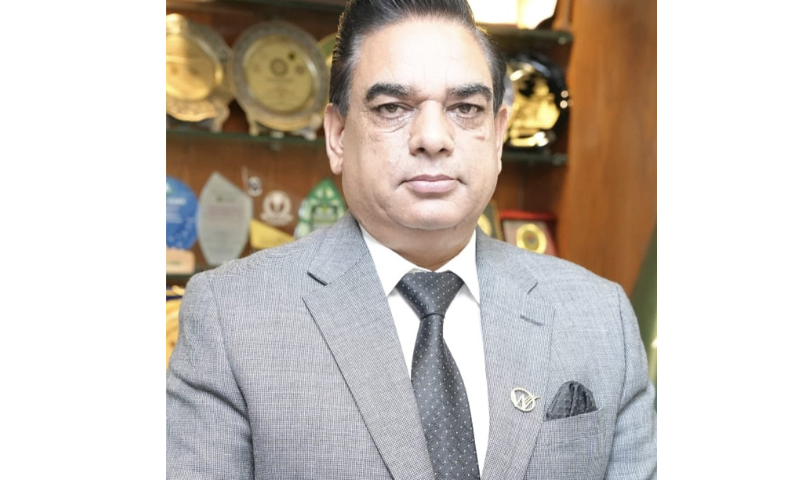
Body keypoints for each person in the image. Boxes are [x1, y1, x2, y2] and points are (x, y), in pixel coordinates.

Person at [166, 0, 657, 478]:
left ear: (498, 135)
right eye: (392, 107)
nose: (433, 137)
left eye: (465, 108)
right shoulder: (232, 316)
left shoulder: (600, 317)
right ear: (337, 135)